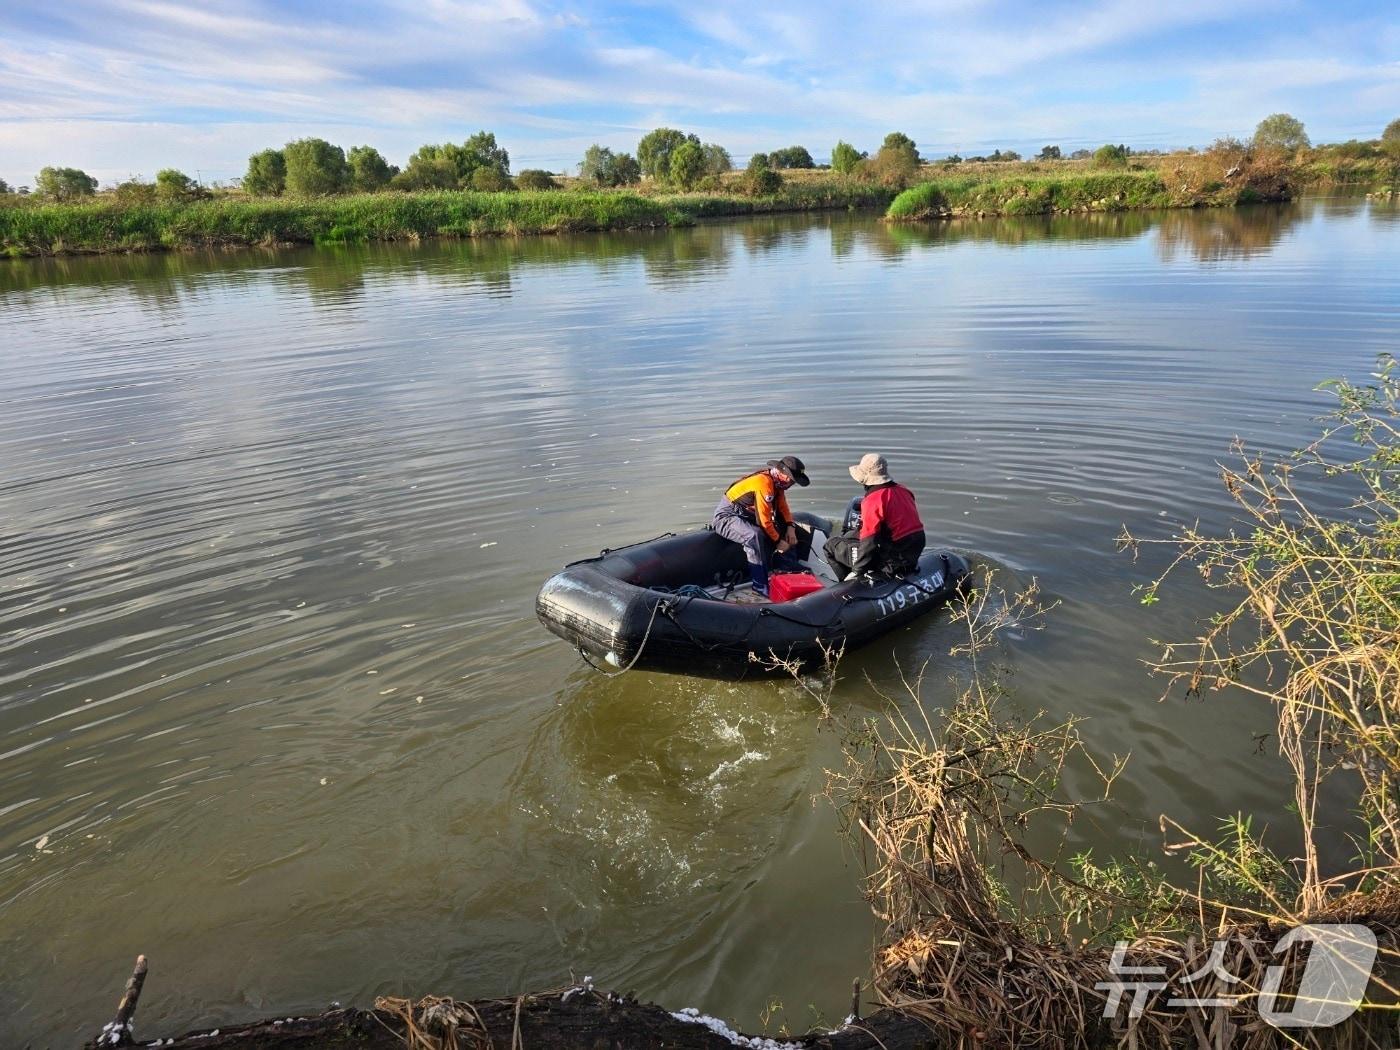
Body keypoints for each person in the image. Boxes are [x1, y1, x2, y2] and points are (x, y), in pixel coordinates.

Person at [712, 455, 810, 596]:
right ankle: (759, 585)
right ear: (784, 475)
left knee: (781, 526)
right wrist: (778, 542)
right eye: (792, 480)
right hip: (726, 516)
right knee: (753, 535)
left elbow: (782, 507)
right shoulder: (764, 483)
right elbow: (763, 522)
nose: (792, 484)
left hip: (745, 514)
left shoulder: (777, 484)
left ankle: (787, 569)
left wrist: (790, 526)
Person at [824, 453, 925, 581]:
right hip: (913, 551)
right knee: (850, 535)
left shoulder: (873, 500)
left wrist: (857, 570)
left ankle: (848, 587)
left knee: (830, 546)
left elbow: (869, 542)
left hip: (893, 558)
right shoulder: (904, 490)